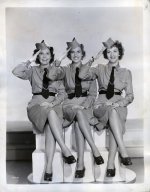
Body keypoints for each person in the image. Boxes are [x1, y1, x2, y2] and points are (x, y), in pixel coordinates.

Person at [12, 40, 76, 182]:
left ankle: (48, 169)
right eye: (41, 54)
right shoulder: (32, 70)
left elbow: (62, 94)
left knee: (50, 126)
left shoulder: (57, 72)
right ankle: (64, 148)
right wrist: (31, 60)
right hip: (36, 105)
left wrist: (52, 102)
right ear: (37, 56)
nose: (44, 56)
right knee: (50, 112)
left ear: (51, 56)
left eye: (47, 53)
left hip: (53, 104)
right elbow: (16, 71)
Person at [47, 38, 104, 179]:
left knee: (80, 120)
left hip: (85, 104)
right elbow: (50, 75)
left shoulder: (89, 71)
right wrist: (57, 62)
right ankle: (94, 149)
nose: (75, 55)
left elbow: (92, 94)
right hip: (69, 104)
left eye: (78, 52)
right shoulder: (65, 70)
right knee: (78, 112)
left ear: (83, 54)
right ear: (69, 55)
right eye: (72, 52)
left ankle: (80, 164)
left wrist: (84, 105)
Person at [79, 38, 134, 177]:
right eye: (109, 52)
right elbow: (81, 74)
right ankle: (122, 152)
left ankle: (111, 164)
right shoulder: (100, 68)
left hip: (118, 105)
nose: (112, 54)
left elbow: (130, 96)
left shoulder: (126, 72)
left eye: (115, 51)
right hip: (101, 105)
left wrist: (119, 103)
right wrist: (93, 58)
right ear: (106, 54)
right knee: (111, 111)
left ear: (119, 53)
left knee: (114, 110)